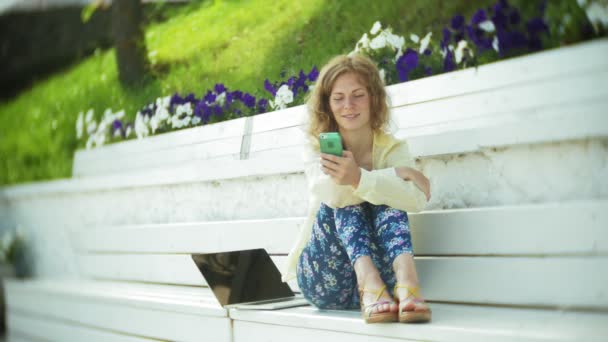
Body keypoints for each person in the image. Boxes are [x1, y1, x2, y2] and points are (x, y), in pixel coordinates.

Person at [282, 54, 432, 324]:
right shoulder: (317, 147)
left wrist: (365, 177)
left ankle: (408, 283)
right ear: (327, 104)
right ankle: (368, 283)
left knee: (388, 197)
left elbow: (417, 199)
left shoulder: (392, 148)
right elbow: (331, 194)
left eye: (358, 95)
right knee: (344, 197)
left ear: (373, 97)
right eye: (338, 98)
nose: (348, 105)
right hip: (325, 280)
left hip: (387, 286)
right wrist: (394, 174)